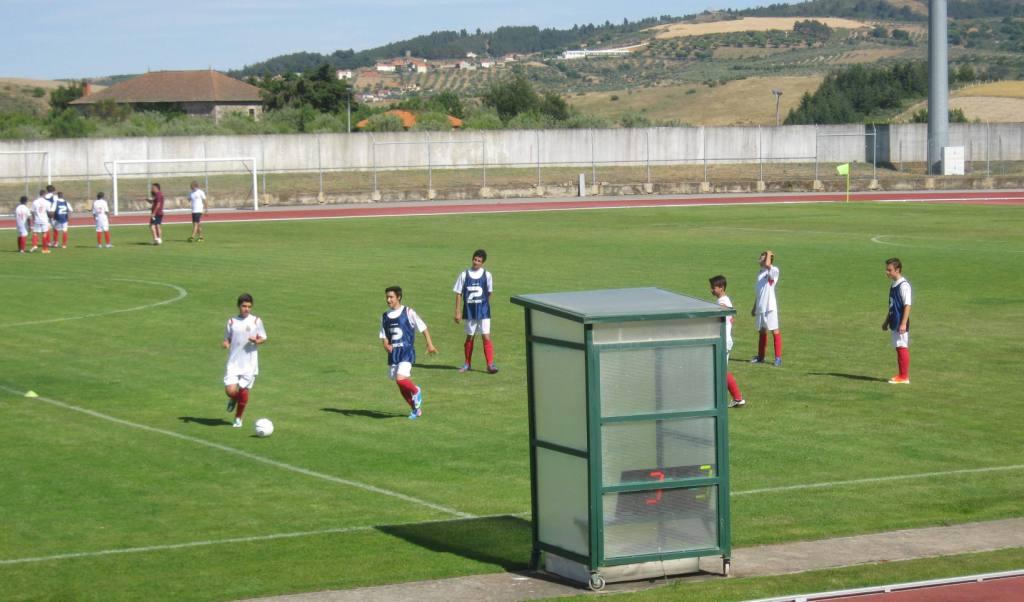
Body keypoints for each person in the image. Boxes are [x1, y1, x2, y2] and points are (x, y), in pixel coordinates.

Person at [380, 286, 437, 419]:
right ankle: (415, 409)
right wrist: (386, 344)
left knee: (400, 379)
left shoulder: (408, 312)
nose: (388, 300)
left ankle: (416, 390)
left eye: (391, 297)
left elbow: (423, 327)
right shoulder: (384, 316)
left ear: (398, 297)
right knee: (400, 384)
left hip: (406, 351)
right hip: (394, 354)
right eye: (387, 297)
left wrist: (430, 344)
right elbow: (384, 335)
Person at [222, 293, 268, 428]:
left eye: (249, 306)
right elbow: (227, 337)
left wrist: (257, 341)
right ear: (238, 306)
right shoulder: (232, 321)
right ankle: (233, 398)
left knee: (243, 389)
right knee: (230, 391)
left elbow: (263, 337)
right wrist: (226, 343)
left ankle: (238, 418)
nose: (247, 309)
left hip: (249, 363)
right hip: (234, 362)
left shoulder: (256, 321)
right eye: (244, 306)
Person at [453, 249, 498, 373]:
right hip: (470, 311)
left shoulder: (487, 275)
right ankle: (467, 364)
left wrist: (485, 306)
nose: (476, 262)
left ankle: (490, 364)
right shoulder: (464, 275)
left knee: (486, 336)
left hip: (483, 312)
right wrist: (457, 311)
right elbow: (458, 293)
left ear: (482, 263)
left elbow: (489, 292)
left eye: (479, 261)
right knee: (469, 337)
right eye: (475, 259)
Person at [710, 275, 746, 408]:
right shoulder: (725, 300)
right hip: (725, 340)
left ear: (721, 287)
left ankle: (736, 398)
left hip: (723, 341)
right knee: (719, 369)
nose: (711, 290)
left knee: (719, 370)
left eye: (713, 287)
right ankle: (736, 398)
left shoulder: (722, 302)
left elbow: (725, 310)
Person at [882, 257, 912, 384]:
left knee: (902, 346)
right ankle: (902, 375)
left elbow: (907, 305)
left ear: (897, 269)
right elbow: (892, 305)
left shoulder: (903, 286)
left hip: (900, 322)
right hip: (895, 321)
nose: (887, 272)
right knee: (899, 347)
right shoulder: (894, 284)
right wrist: (886, 321)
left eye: (889, 270)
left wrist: (903, 323)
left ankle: (904, 377)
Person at [750, 249, 782, 366]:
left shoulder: (773, 270)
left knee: (774, 330)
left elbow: (768, 264)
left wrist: (768, 252)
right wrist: (754, 307)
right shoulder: (760, 273)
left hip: (770, 307)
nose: (759, 259)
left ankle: (778, 358)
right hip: (761, 307)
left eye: (762, 258)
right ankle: (761, 356)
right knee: (762, 331)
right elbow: (759, 292)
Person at [30, 189, 51, 254]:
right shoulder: (47, 202)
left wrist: (33, 218)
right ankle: (44, 249)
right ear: (44, 195)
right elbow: (49, 212)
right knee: (44, 233)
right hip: (44, 220)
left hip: (37, 220)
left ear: (39, 194)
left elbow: (32, 211)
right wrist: (50, 219)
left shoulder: (35, 202)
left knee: (35, 233)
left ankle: (34, 245)